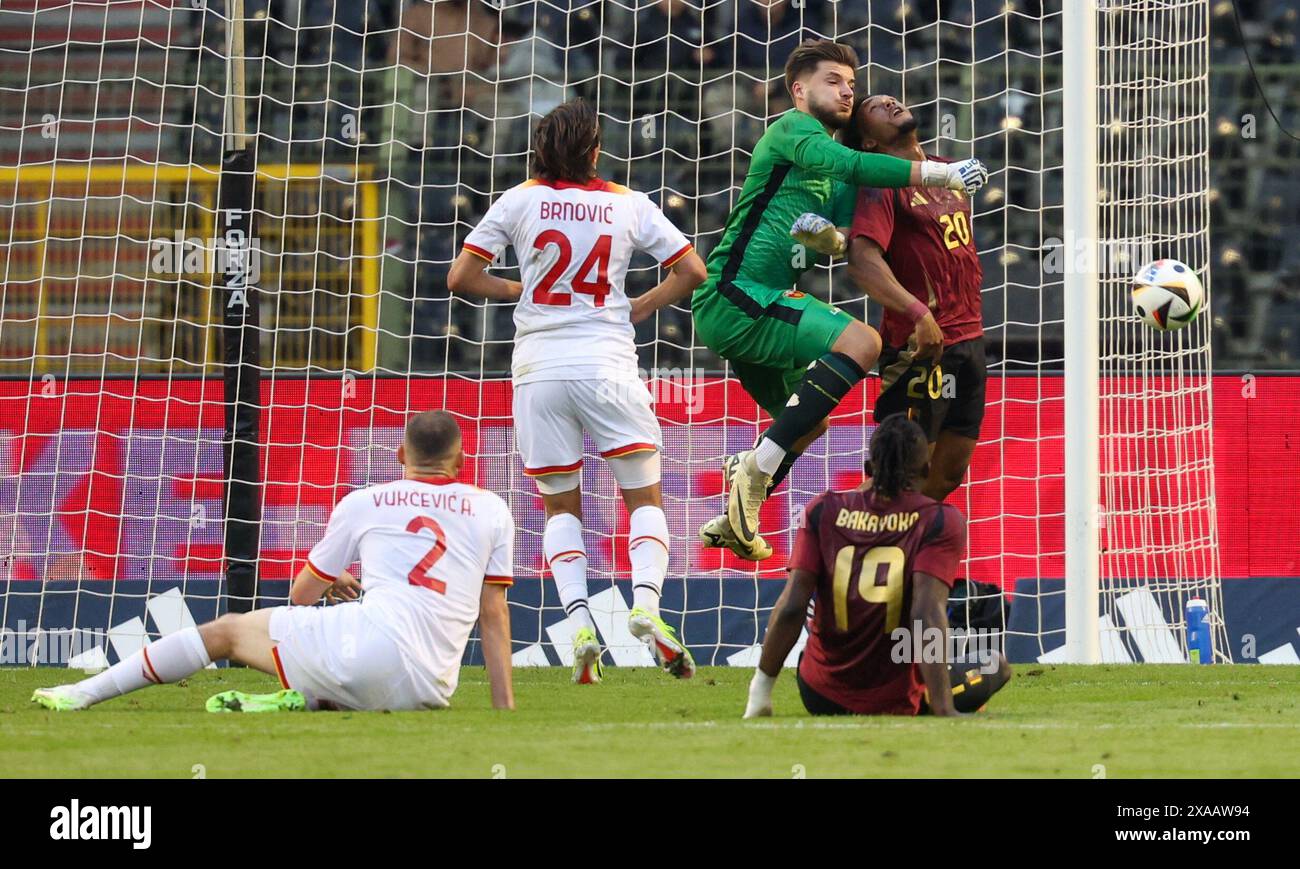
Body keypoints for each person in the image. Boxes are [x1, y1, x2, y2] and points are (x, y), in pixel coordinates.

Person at [691, 39, 988, 561]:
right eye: (834, 81)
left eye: (852, 84)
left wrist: (827, 240)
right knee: (864, 340)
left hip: (762, 310)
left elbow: (843, 237)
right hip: (734, 295)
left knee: (811, 420)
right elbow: (846, 163)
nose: (847, 90)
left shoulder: (839, 178)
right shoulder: (791, 130)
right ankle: (754, 470)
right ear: (798, 89)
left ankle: (739, 513)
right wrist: (938, 172)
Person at [447, 98, 708, 684]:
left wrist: (522, 286)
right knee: (643, 499)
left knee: (560, 507)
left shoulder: (517, 201)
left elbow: (459, 278)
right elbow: (694, 271)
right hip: (608, 363)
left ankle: (581, 623)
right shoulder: (628, 203)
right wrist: (639, 305)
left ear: (538, 150)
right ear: (594, 150)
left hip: (538, 369)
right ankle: (646, 607)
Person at [32, 411, 516, 713]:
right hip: (429, 690)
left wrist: (332, 581)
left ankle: (85, 692)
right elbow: (493, 614)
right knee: (336, 654)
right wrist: (504, 710)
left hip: (366, 650)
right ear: (461, 462)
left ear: (398, 454)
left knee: (227, 631)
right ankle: (302, 699)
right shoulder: (493, 508)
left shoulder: (366, 501)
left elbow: (300, 598)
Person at [743, 414, 1011, 718]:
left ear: (869, 469)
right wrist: (943, 707)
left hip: (819, 693)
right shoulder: (938, 520)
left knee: (815, 653)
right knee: (994, 665)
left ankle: (763, 695)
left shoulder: (822, 510)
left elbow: (792, 606)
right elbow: (925, 612)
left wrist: (760, 695)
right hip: (893, 699)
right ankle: (930, 701)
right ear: (925, 470)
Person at [845, 94, 987, 501]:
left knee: (946, 476)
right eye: (874, 107)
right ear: (868, 142)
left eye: (891, 99)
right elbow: (860, 258)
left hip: (969, 340)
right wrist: (918, 313)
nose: (889, 102)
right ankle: (835, 547)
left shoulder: (946, 170)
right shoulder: (883, 181)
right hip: (919, 348)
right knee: (895, 475)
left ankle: (900, 560)